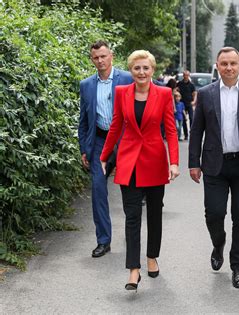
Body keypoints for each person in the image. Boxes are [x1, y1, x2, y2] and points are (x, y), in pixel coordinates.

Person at [188, 47, 239, 289]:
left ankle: (237, 267)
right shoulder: (205, 93)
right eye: (224, 63)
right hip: (215, 164)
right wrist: (194, 162)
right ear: (217, 65)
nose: (229, 68)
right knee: (214, 214)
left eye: (233, 63)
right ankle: (218, 243)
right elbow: (196, 132)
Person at [99, 50, 179, 291]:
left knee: (154, 214)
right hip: (129, 161)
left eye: (145, 68)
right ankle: (133, 269)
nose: (141, 72)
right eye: (137, 68)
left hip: (155, 162)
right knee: (132, 216)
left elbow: (171, 130)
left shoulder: (164, 94)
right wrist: (104, 156)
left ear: (152, 70)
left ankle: (151, 256)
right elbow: (115, 126)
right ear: (131, 70)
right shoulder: (122, 92)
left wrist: (174, 161)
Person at [78, 40, 133, 258]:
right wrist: (84, 148)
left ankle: (132, 234)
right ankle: (103, 240)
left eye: (103, 56)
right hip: (100, 142)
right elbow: (83, 121)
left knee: (130, 190)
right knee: (98, 190)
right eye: (96, 57)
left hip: (125, 140)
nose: (100, 61)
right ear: (92, 60)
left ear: (111, 55)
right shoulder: (86, 85)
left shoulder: (127, 79)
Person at [177, 70, 197, 140]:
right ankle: (186, 135)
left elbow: (194, 93)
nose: (186, 76)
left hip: (189, 103)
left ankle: (192, 133)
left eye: (187, 75)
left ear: (189, 76)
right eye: (185, 75)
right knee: (183, 120)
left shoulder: (191, 84)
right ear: (183, 75)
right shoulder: (179, 83)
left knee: (192, 118)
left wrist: (194, 101)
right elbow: (176, 91)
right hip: (182, 103)